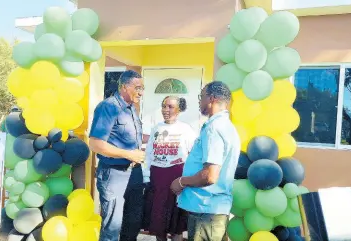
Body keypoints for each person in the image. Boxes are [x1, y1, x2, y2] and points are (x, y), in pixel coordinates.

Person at [170, 81, 240, 241]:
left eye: (201, 97)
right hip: (212, 210)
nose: (199, 101)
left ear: (212, 99)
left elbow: (210, 176)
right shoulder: (227, 126)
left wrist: (181, 182)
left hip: (206, 210)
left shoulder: (214, 129)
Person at [89, 70, 146, 241]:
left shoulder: (131, 109)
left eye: (143, 88)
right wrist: (128, 154)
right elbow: (95, 144)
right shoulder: (109, 107)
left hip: (134, 173)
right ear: (123, 87)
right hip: (114, 174)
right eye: (138, 88)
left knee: (133, 223)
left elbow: (130, 137)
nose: (141, 92)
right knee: (112, 227)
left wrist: (160, 136)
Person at [143, 96, 196, 241]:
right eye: (164, 106)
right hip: (157, 179)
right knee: (159, 222)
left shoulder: (186, 129)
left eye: (170, 107)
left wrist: (187, 179)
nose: (166, 110)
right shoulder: (156, 128)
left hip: (176, 178)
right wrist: (146, 175)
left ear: (179, 110)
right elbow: (149, 154)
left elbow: (194, 155)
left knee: (176, 223)